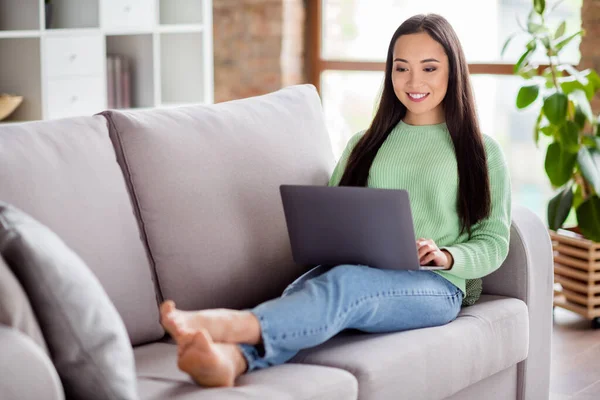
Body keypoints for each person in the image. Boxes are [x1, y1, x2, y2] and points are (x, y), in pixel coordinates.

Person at [160, 13, 512, 388]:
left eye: (429, 68)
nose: (414, 82)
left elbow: (494, 241)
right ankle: (231, 360)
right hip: (365, 270)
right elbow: (336, 216)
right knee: (304, 291)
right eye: (401, 68)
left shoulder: (480, 150)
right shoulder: (366, 142)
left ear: (453, 71)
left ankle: (231, 324)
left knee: (345, 285)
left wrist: (446, 255)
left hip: (437, 285)